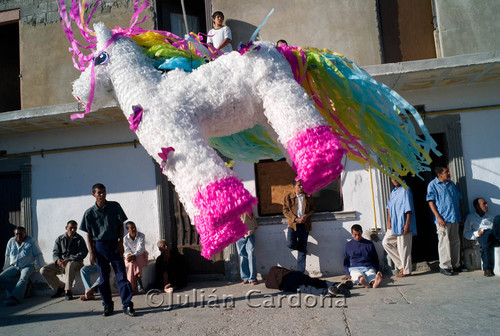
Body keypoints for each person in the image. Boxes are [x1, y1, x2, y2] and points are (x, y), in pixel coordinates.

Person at [80, 183, 136, 317]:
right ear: (93, 194)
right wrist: (92, 252)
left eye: (103, 192)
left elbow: (121, 225)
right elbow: (88, 234)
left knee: (122, 276)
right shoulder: (89, 213)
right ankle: (107, 305)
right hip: (99, 247)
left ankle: (127, 305)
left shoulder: (114, 206)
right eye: (99, 193)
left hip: (114, 245)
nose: (102, 195)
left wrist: (121, 243)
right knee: (103, 279)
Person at [426, 166, 467, 276]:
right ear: (439, 175)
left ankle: (456, 265)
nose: (449, 173)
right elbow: (430, 202)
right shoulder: (433, 185)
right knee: (444, 242)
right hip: (443, 219)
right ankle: (445, 266)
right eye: (446, 172)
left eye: (448, 171)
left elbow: (458, 200)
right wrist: (438, 217)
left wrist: (461, 216)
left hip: (454, 217)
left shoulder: (451, 184)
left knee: (455, 241)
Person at [41, 220, 88, 300]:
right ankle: (61, 285)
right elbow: (55, 252)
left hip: (76, 263)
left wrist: (69, 259)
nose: (73, 230)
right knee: (44, 270)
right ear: (66, 228)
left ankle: (68, 290)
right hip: (62, 264)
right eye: (71, 228)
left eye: (75, 228)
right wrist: (58, 260)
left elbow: (83, 253)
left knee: (70, 264)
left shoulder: (79, 239)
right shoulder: (60, 239)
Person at [0, 226, 45, 306]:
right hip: (15, 266)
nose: (19, 236)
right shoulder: (11, 241)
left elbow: (38, 254)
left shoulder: (31, 241)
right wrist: (5, 268)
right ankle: (17, 291)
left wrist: (42, 266)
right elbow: (7, 256)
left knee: (23, 278)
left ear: (25, 234)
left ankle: (15, 298)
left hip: (28, 266)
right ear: (14, 235)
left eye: (21, 234)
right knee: (2, 277)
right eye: (17, 234)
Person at [382, 178, 417, 277]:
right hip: (394, 224)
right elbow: (389, 208)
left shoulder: (406, 189)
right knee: (386, 242)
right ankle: (401, 266)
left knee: (403, 247)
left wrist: (407, 224)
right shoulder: (393, 192)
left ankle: (406, 271)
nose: (394, 180)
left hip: (403, 222)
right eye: (392, 178)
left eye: (396, 177)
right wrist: (388, 221)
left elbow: (409, 208)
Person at [283, 179, 315, 273]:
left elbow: (313, 209)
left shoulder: (308, 197)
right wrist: (296, 219)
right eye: (299, 185)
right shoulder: (288, 197)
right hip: (293, 224)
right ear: (294, 186)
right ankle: (302, 248)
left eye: (302, 185)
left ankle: (300, 273)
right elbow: (285, 210)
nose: (302, 187)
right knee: (290, 244)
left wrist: (306, 216)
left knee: (301, 251)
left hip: (304, 225)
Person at [463, 198, 500, 277]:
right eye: (484, 204)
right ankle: (487, 269)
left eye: (486, 203)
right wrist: (477, 233)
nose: (487, 205)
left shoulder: (489, 217)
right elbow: (466, 233)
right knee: (485, 243)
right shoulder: (470, 217)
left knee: (498, 218)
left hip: (494, 234)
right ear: (477, 206)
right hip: (483, 234)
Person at [265, 265, 352, 297]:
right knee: (315, 281)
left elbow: (277, 285)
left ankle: (328, 292)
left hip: (288, 283)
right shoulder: (274, 268)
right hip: (294, 274)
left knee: (307, 288)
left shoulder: (269, 282)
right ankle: (336, 284)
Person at [123, 221, 148, 293]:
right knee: (131, 263)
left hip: (141, 256)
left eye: (134, 227)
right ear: (128, 230)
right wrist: (129, 255)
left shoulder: (141, 236)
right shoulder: (125, 239)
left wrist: (134, 255)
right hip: (129, 257)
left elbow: (141, 249)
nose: (134, 229)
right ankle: (138, 282)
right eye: (132, 228)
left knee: (135, 261)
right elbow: (126, 250)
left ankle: (130, 287)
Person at [236, 211, 258, 285]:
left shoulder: (246, 203)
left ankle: (252, 278)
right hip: (238, 234)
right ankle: (245, 277)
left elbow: (251, 215)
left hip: (249, 232)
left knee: (251, 254)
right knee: (242, 256)